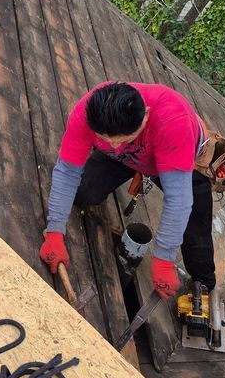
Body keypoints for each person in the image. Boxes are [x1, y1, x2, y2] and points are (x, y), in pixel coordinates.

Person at [38, 81, 215, 299]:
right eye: (104, 140)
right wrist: (55, 231)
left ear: (146, 116)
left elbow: (178, 200)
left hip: (179, 155)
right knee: (84, 192)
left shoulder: (173, 122)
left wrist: (163, 260)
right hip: (128, 156)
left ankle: (204, 283)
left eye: (122, 140)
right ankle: (120, 145)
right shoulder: (88, 113)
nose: (114, 146)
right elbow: (67, 171)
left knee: (195, 229)